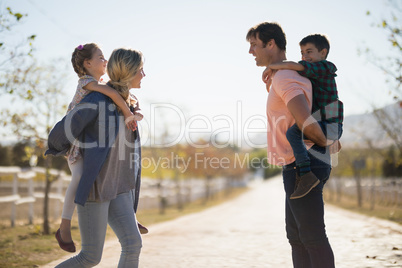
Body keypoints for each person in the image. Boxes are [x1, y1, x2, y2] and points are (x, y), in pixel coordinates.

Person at [247, 22, 337, 267]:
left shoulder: (285, 77)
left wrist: (324, 140)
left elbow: (304, 119)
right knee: (297, 238)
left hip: (304, 163)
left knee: (311, 237)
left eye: (254, 45)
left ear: (271, 44)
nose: (251, 51)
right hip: (296, 164)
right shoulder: (284, 74)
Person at [46, 47, 146, 267]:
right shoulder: (97, 99)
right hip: (96, 187)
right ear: (128, 71)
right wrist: (56, 146)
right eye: (140, 69)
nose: (144, 75)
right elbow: (66, 127)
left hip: (117, 186)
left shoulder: (127, 102)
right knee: (90, 257)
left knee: (133, 244)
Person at [262, 34, 343, 199]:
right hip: (328, 123)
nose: (305, 57)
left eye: (309, 52)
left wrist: (272, 66)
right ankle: (306, 171)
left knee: (293, 133)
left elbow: (296, 66)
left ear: (323, 52)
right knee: (296, 132)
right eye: (302, 52)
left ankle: (305, 173)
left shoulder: (325, 67)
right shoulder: (314, 76)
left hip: (329, 124)